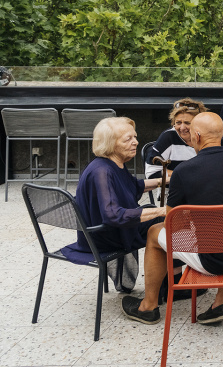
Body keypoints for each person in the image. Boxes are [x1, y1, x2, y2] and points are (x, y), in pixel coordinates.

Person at [121, 112, 223, 325]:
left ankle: (148, 306)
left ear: (196, 136)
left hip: (214, 260)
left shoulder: (183, 171)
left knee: (154, 233)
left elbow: (173, 224)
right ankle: (222, 301)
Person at [64, 117, 167, 292]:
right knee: (166, 223)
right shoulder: (102, 171)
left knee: (155, 214)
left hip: (106, 231)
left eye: (135, 137)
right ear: (110, 144)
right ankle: (163, 289)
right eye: (128, 139)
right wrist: (162, 211)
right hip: (104, 237)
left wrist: (164, 181)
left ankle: (166, 282)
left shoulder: (112, 163)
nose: (136, 142)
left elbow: (134, 186)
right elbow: (114, 215)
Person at [144, 98, 208, 181]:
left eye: (187, 123)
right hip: (175, 187)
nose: (182, 128)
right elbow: (150, 173)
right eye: (178, 123)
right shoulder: (168, 137)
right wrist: (185, 176)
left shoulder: (209, 136)